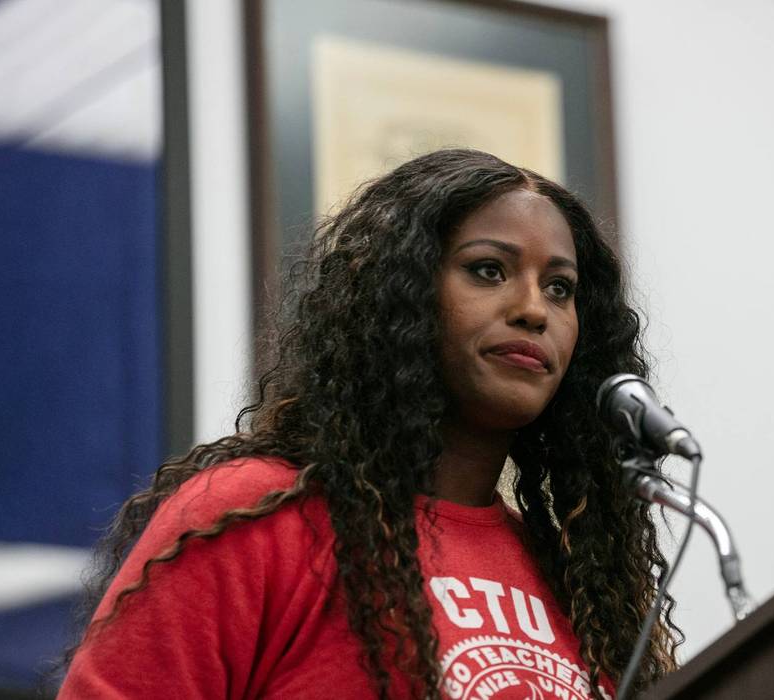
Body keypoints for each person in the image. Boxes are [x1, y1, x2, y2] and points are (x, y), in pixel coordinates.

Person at [58, 149, 681, 699]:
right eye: (488, 270)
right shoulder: (259, 515)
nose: (532, 310)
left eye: (560, 288)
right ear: (400, 296)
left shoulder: (582, 586)